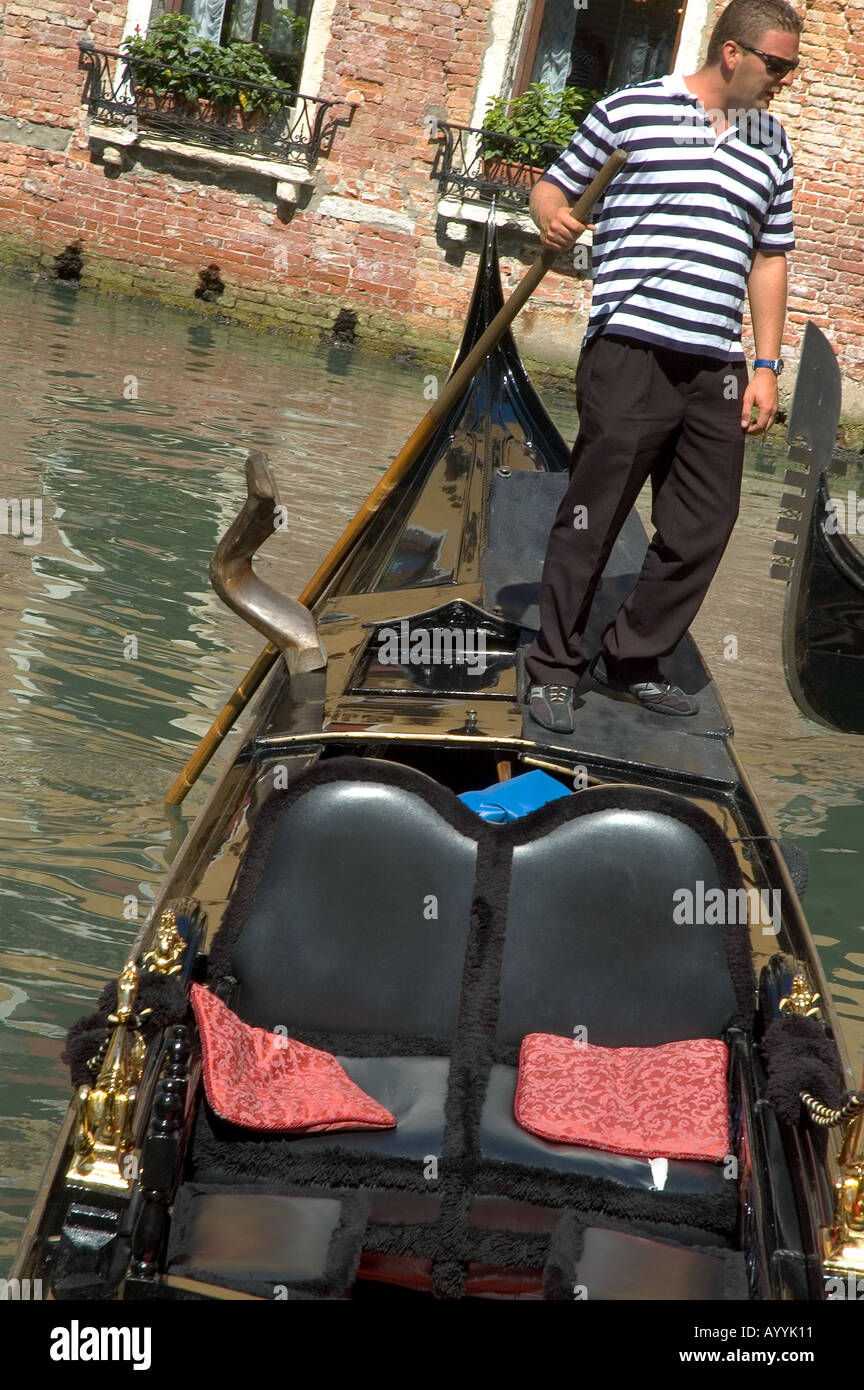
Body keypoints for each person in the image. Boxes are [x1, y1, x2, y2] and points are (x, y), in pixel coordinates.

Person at [525, 0, 801, 733]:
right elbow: (553, 184)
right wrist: (548, 212)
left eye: (793, 68)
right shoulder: (632, 110)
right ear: (734, 53)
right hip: (631, 349)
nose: (786, 81)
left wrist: (767, 365)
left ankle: (634, 656)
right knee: (595, 515)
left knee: (706, 523)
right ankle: (553, 666)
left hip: (717, 362)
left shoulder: (772, 142)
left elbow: (769, 258)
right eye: (779, 65)